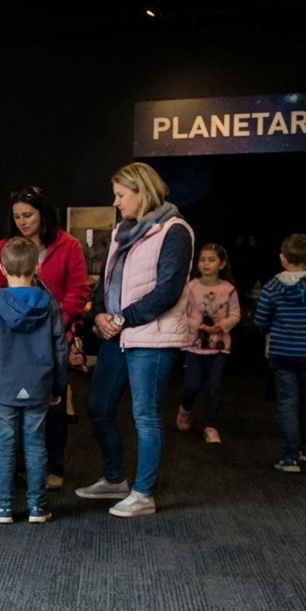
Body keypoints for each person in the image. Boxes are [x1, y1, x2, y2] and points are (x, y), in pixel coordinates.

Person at [75, 162, 193, 518]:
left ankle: (143, 494)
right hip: (117, 335)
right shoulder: (121, 232)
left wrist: (123, 319)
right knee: (99, 408)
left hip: (151, 339)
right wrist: (98, 314)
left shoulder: (176, 230)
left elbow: (168, 290)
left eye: (121, 195)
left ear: (142, 193)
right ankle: (115, 480)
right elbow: (107, 281)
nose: (116, 202)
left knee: (146, 416)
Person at [0, 185, 90, 489]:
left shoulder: (67, 245)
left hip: (50, 337)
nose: (22, 221)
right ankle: (16, 470)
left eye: (28, 215)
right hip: (12, 340)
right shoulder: (5, 246)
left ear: (43, 214)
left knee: (52, 405)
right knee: (10, 406)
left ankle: (51, 468)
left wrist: (56, 319)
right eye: (16, 216)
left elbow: (79, 291)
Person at [0, 237, 67, 524]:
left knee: (4, 446)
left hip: (3, 387)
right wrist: (58, 386)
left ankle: (2, 506)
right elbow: (60, 348)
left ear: (2, 269)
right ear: (37, 266)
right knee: (37, 445)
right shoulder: (50, 305)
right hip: (39, 386)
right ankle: (38, 507)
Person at [253, 234, 306, 472]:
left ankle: (290, 457)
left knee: (288, 403)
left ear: (282, 258)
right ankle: (303, 451)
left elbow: (260, 320)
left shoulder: (272, 287)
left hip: (283, 353)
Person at [174, 243, 242, 444]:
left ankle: (210, 425)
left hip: (219, 346)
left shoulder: (228, 289)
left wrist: (222, 325)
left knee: (213, 386)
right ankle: (185, 409)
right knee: (192, 385)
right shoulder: (191, 287)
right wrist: (199, 325)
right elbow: (182, 313)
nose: (206, 263)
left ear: (222, 264)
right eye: (202, 259)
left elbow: (236, 314)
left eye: (211, 260)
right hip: (194, 345)